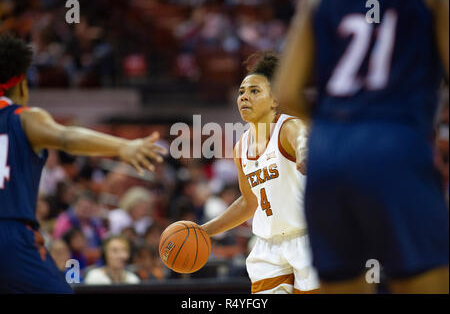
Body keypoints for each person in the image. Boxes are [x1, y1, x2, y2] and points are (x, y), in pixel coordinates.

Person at [273, 0, 449, 293]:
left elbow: (286, 92)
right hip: (396, 146)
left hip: (328, 154)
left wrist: (333, 131)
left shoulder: (318, 1)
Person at [0, 34, 166, 293]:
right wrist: (123, 146)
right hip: (11, 234)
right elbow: (66, 137)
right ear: (21, 84)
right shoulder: (23, 118)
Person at [201, 51, 319, 294]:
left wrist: (305, 153)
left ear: (274, 100)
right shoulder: (241, 147)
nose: (245, 97)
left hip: (309, 239)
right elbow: (248, 203)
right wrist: (203, 231)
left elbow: (302, 137)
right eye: (242, 92)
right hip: (268, 247)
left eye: (255, 91)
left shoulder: (287, 127)